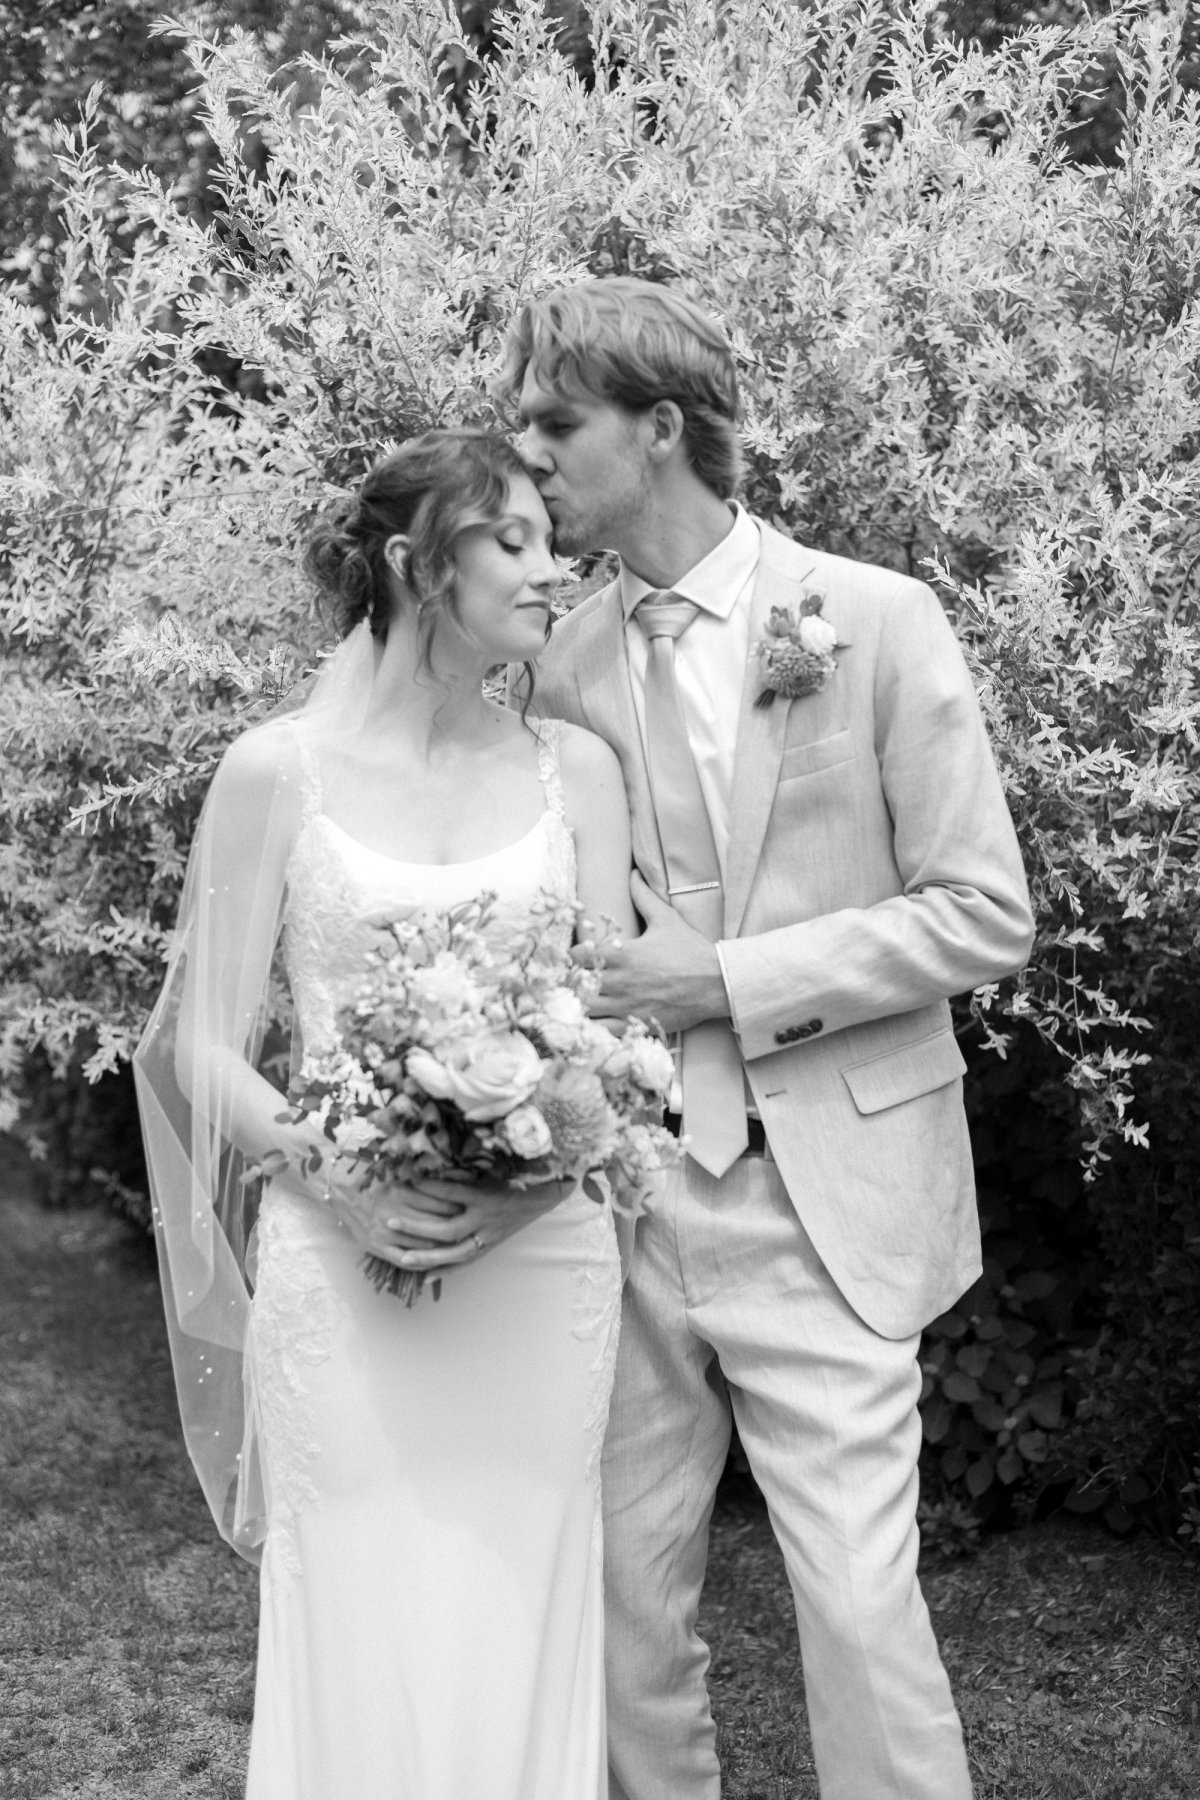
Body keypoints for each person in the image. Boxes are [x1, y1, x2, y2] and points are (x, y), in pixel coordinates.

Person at [498, 277, 1036, 1800]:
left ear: (658, 429)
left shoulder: (870, 620)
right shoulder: (551, 655)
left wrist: (726, 979)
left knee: (860, 1605)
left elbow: (982, 914)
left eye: (555, 422)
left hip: (829, 1193)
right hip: (616, 1196)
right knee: (614, 1597)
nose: (526, 456)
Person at [133, 429, 639, 1800]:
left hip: (540, 1262)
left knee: (521, 1582)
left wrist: (530, 1174)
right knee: (353, 1584)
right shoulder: (272, 774)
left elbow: (616, 1029)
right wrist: (335, 1172)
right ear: (424, 567)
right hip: (339, 1254)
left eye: (552, 538)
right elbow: (198, 1044)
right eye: (516, 542)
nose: (554, 570)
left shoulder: (576, 776)